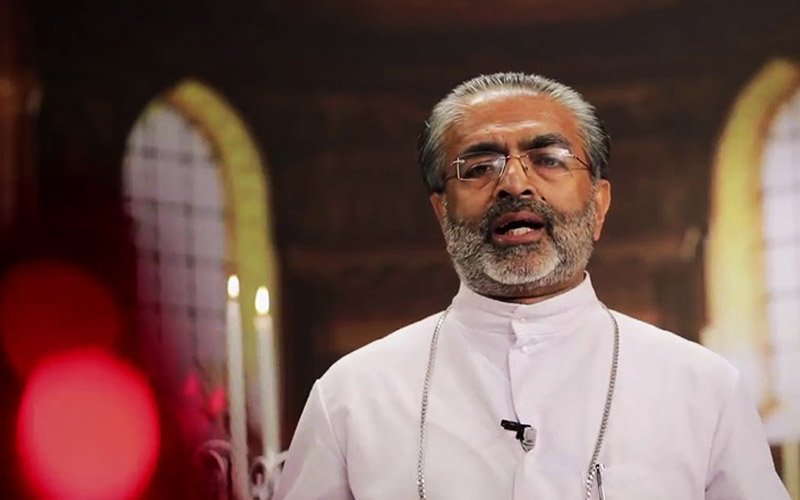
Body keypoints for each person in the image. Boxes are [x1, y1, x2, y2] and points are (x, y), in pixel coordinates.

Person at [273, 72, 789, 500]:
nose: (515, 183)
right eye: (479, 166)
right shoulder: (351, 395)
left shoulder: (704, 388)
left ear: (599, 204)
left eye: (549, 159)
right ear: (441, 211)